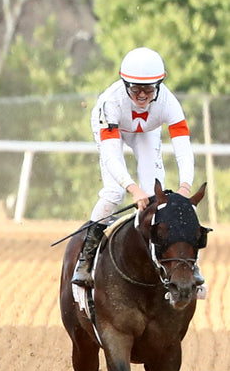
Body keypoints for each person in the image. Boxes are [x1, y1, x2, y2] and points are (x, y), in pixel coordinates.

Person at [73, 47, 202, 291]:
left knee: (157, 196)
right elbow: (112, 157)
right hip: (113, 128)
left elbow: (183, 148)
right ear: (125, 84)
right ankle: (85, 260)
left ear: (159, 86)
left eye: (149, 89)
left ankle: (177, 262)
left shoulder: (168, 102)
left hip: (146, 132)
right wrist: (132, 188)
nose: (142, 95)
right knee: (114, 192)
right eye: (135, 88)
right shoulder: (111, 103)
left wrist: (185, 185)